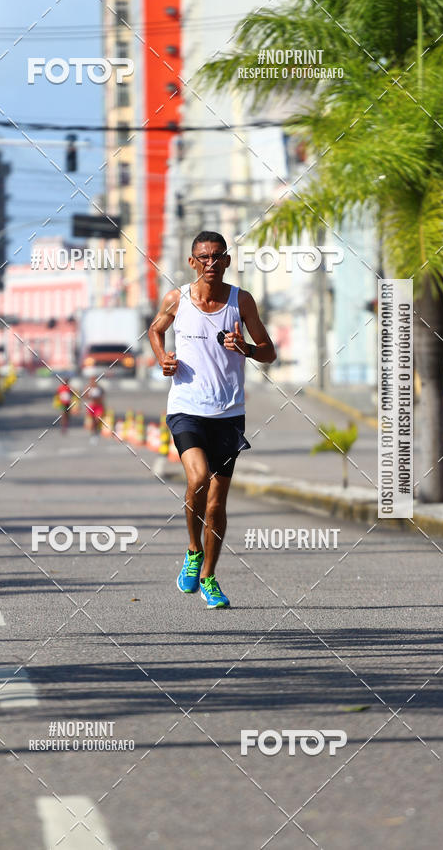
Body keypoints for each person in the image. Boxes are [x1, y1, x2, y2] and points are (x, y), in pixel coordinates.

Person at [148, 230, 276, 608]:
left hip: (229, 413)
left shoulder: (241, 301)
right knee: (198, 478)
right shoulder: (177, 299)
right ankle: (193, 549)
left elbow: (268, 352)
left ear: (227, 261)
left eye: (218, 256)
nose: (211, 263)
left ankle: (209, 577)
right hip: (186, 408)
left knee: (217, 505)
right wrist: (163, 359)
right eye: (203, 257)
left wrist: (246, 348)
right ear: (192, 262)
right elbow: (155, 330)